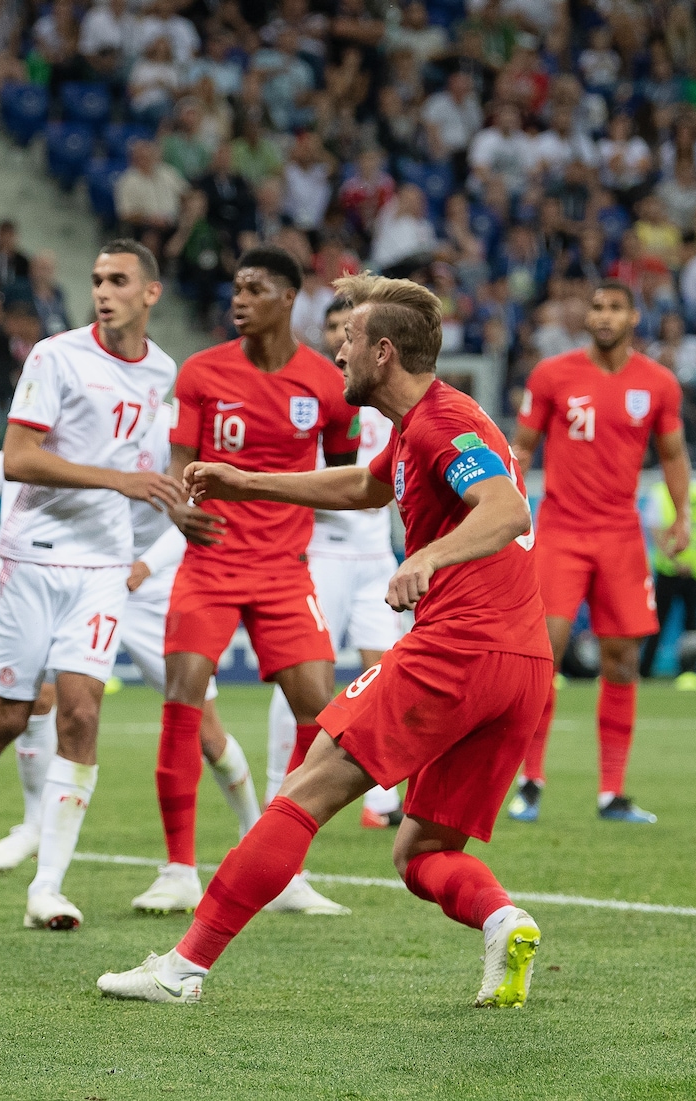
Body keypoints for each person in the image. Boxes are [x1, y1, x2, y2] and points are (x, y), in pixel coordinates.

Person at [100, 274, 549, 1008]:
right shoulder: (416, 428)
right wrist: (247, 483)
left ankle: (182, 967)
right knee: (422, 852)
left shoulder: (444, 421)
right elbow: (363, 490)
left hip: (461, 648)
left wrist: (428, 557)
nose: (334, 349)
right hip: (521, 665)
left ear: (382, 352)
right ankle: (505, 918)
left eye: (346, 338)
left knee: (309, 782)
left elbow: (505, 508)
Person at [0, 240, 185, 930]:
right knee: (7, 716)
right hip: (30, 559)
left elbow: (148, 464)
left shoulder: (162, 371)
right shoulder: (55, 356)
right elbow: (19, 457)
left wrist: (180, 510)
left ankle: (48, 889)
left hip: (101, 566)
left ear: (150, 294)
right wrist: (120, 482)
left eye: (119, 279)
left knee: (82, 713)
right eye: (95, 278)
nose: (103, 289)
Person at [140, 245, 357, 916]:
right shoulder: (204, 371)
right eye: (235, 286)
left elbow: (346, 474)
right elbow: (179, 464)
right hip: (209, 563)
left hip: (285, 569)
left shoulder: (326, 382)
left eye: (254, 287)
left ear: (288, 298)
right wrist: (181, 511)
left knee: (319, 710)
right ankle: (178, 867)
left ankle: (283, 869)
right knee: (184, 700)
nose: (239, 298)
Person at [0, 425, 261, 878]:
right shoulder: (75, 425)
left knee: (206, 732)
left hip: (152, 591)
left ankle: (254, 830)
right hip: (84, 579)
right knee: (40, 700)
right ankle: (34, 824)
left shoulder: (170, 433)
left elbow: (196, 515)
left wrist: (145, 565)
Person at [506, 282, 691, 825]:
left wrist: (680, 515)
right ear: (586, 316)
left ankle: (612, 794)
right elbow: (521, 446)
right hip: (561, 531)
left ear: (634, 316)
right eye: (596, 307)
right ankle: (530, 782)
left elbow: (673, 454)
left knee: (623, 660)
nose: (604, 316)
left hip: (621, 535)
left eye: (615, 308)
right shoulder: (552, 375)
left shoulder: (658, 384)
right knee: (544, 654)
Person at [270, 296, 406, 830]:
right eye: (332, 328)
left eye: (348, 328)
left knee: (387, 678)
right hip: (321, 554)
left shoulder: (387, 394)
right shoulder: (313, 391)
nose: (339, 339)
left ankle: (378, 801)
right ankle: (281, 787)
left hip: (376, 557)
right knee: (305, 680)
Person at [640, 477, 696, 689]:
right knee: (691, 622)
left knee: (658, 621)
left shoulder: (660, 491)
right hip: (695, 568)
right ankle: (690, 672)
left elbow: (654, 530)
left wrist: (673, 558)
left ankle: (645, 670)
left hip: (669, 568)